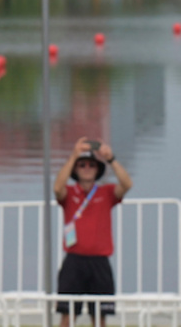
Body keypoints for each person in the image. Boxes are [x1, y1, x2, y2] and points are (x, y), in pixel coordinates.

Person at [53, 137, 131, 327]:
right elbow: (57, 188)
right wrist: (73, 156)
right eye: (82, 165)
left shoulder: (106, 192)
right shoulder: (70, 192)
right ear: (75, 169)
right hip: (74, 261)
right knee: (67, 316)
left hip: (99, 262)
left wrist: (111, 159)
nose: (87, 168)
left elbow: (127, 184)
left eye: (91, 165)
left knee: (100, 317)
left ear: (97, 169)